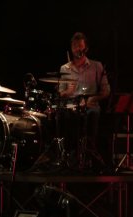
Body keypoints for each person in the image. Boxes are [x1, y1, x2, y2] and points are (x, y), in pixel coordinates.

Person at [57, 32, 110, 171]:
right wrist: (67, 92)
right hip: (71, 107)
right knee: (67, 117)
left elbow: (106, 90)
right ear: (71, 48)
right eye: (74, 46)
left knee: (92, 115)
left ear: (86, 48)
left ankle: (90, 158)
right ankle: (71, 157)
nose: (77, 49)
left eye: (80, 46)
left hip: (91, 106)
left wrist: (94, 98)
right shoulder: (65, 68)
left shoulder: (97, 66)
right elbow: (60, 93)